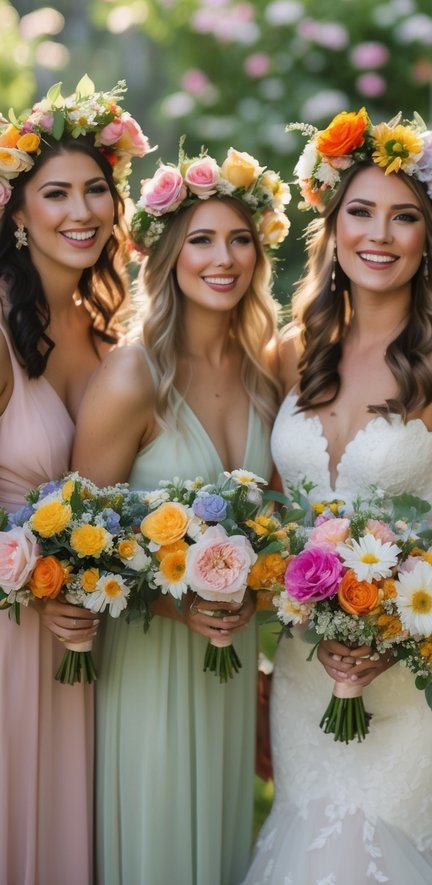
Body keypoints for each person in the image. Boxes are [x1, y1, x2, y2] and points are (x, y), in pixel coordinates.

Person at [242, 108, 432, 885]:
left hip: (412, 687)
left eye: (404, 218)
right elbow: (278, 529)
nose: (380, 235)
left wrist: (390, 631)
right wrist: (296, 622)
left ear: (431, 236)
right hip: (302, 677)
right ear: (333, 221)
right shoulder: (295, 350)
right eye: (361, 211)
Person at [71, 145, 290, 885]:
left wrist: (252, 597)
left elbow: (279, 533)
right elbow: (77, 547)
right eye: (200, 238)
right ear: (164, 253)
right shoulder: (133, 374)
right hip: (149, 663)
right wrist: (174, 606)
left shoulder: (266, 376)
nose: (222, 257)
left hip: (227, 668)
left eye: (238, 238)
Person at [0, 78, 150, 885]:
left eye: (96, 188)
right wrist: (26, 570)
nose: (80, 210)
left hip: (80, 645)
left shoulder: (108, 343)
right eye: (54, 192)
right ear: (18, 213)